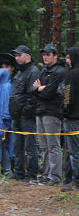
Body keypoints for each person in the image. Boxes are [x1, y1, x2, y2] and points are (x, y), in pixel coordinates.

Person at [30, 43, 65, 185]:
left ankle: (55, 176)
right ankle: (46, 174)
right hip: (40, 111)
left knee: (53, 145)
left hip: (52, 112)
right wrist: (39, 89)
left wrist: (40, 89)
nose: (45, 57)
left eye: (48, 54)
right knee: (43, 145)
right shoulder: (42, 70)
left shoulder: (60, 72)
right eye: (43, 54)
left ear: (55, 56)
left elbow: (50, 93)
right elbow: (32, 89)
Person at [8, 45, 40, 181]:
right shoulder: (19, 72)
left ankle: (32, 174)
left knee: (30, 146)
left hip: (27, 116)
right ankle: (19, 172)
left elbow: (33, 96)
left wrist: (25, 113)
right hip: (16, 115)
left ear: (28, 55)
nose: (17, 58)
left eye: (19, 55)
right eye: (15, 55)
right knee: (17, 146)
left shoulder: (34, 71)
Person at [61, 47, 79, 192]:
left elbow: (67, 95)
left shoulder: (71, 75)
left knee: (74, 151)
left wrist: (64, 111)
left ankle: (76, 181)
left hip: (73, 118)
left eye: (68, 58)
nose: (67, 61)